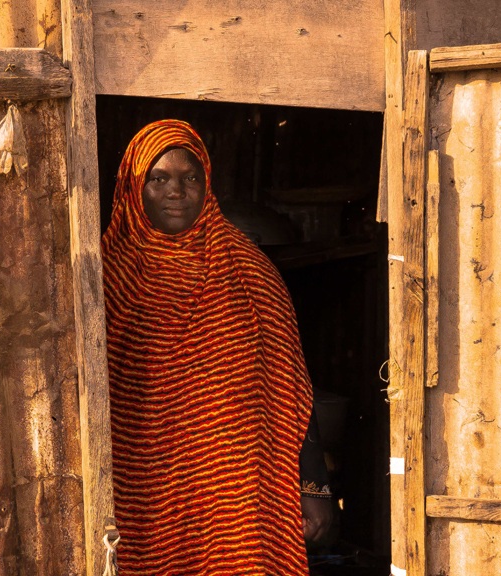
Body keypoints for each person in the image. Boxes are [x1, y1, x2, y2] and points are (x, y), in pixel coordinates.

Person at [101, 119, 333, 575]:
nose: (176, 191)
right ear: (133, 186)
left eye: (190, 177)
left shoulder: (250, 273)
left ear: (207, 185)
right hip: (141, 493)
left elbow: (290, 392)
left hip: (238, 491)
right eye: (159, 178)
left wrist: (315, 488)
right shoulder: (106, 277)